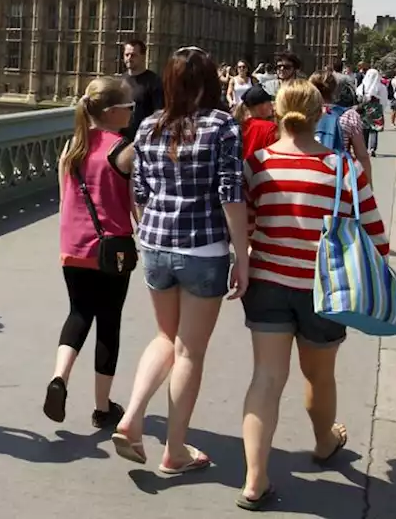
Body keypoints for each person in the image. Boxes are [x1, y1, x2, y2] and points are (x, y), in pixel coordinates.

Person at [237, 79, 389, 509]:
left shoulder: (258, 164)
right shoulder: (344, 169)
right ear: (322, 114)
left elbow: (245, 226)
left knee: (266, 378)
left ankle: (254, 480)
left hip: (267, 282)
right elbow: (375, 237)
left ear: (278, 113)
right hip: (325, 290)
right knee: (318, 375)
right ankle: (324, 443)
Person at [113, 47, 250, 473]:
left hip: (155, 245)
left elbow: (138, 193)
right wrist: (241, 256)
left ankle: (133, 417)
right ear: (210, 83)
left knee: (163, 337)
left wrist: (152, 230)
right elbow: (231, 194)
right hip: (203, 249)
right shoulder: (222, 126)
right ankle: (174, 451)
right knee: (189, 351)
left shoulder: (149, 125)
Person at [44, 77, 136, 427]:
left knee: (79, 313)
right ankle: (102, 407)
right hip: (111, 249)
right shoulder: (125, 151)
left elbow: (64, 199)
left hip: (73, 246)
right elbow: (136, 209)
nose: (132, 111)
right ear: (112, 112)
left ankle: (59, 378)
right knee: (109, 322)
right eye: (128, 106)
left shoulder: (72, 146)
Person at [310, 68, 373, 185]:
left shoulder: (303, 114)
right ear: (335, 90)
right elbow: (362, 155)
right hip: (338, 176)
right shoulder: (349, 115)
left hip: (309, 173)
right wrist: (368, 185)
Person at [121, 39, 164, 141]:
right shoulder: (120, 81)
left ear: (143, 56)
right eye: (126, 55)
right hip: (122, 138)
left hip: (143, 137)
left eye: (133, 55)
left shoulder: (154, 81)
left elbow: (160, 113)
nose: (129, 58)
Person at [233, 85, 279, 160]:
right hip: (261, 170)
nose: (272, 105)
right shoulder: (270, 128)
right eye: (269, 102)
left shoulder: (240, 125)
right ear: (261, 107)